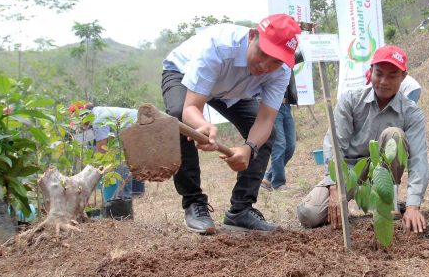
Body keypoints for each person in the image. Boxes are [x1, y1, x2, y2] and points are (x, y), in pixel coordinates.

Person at [161, 14, 301, 234]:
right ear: (252, 36)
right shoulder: (218, 46)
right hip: (183, 72)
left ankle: (241, 210)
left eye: (276, 60)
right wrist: (203, 126)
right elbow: (191, 108)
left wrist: (249, 148)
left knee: (266, 135)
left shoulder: (281, 71)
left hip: (232, 91)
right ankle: (194, 202)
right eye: (263, 53)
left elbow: (265, 119)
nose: (266, 65)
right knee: (178, 117)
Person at [297, 45, 429, 233]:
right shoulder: (351, 100)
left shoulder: (412, 113)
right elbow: (336, 145)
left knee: (395, 136)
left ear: (403, 76)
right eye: (379, 73)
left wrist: (413, 206)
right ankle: (354, 199)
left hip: (383, 173)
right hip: (350, 170)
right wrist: (335, 187)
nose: (384, 81)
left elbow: (419, 161)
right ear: (371, 72)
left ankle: (385, 202)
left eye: (392, 75)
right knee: (309, 214)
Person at [260, 53, 304, 191]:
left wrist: (309, 34)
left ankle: (267, 177)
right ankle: (278, 183)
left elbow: (302, 54)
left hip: (285, 106)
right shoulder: (265, 58)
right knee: (279, 145)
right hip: (272, 106)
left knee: (290, 146)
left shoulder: (286, 57)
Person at [87, 105, 141, 198]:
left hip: (136, 126)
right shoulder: (99, 111)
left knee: (121, 158)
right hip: (138, 121)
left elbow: (102, 149)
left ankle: (125, 195)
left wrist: (94, 167)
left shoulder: (98, 120)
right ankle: (137, 191)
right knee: (132, 157)